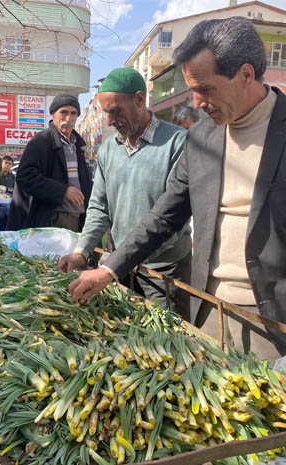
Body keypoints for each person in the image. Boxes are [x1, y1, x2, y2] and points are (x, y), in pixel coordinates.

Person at [69, 17, 286, 360]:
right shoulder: (201, 138)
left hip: (273, 320)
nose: (197, 102)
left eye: (206, 89)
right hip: (208, 309)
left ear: (245, 75)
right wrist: (110, 270)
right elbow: (165, 215)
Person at [57, 67, 192, 319]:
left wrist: (112, 267)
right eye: (106, 113)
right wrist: (81, 251)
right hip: (118, 268)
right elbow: (99, 207)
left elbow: (169, 217)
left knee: (164, 342)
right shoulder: (109, 149)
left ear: (139, 99)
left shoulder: (178, 143)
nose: (109, 121)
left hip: (162, 273)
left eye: (115, 111)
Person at [7, 93, 93, 232]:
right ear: (53, 114)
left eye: (73, 113)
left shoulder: (77, 145)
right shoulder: (41, 141)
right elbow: (25, 176)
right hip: (53, 219)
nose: (68, 118)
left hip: (77, 218)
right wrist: (62, 191)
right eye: (63, 112)